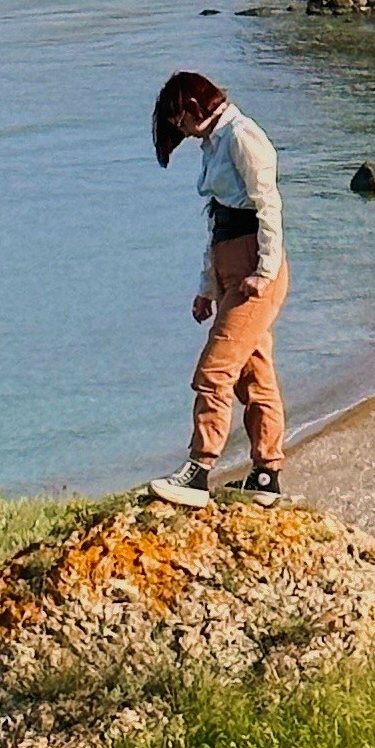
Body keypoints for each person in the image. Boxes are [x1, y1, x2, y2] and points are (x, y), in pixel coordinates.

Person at [146, 68, 289, 506]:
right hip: (231, 263)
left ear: (194, 107)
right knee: (253, 373)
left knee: (214, 371)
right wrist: (207, 286)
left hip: (252, 265)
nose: (179, 129)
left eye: (178, 119)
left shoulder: (242, 136)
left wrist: (264, 271)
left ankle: (199, 469)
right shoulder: (214, 142)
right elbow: (217, 219)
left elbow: (268, 205)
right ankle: (266, 476)